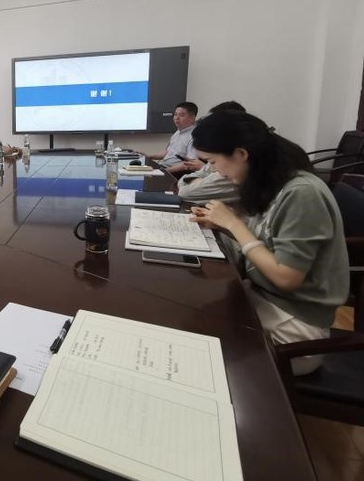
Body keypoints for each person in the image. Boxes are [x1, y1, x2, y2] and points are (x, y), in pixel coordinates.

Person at [189, 111, 348, 375]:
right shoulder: (270, 184)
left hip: (295, 330)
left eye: (213, 162)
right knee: (192, 317)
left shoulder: (302, 193)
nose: (214, 170)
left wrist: (234, 224)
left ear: (241, 154)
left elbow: (286, 277)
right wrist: (223, 226)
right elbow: (264, 243)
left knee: (195, 343)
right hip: (264, 301)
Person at [177, 101, 246, 203]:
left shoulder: (234, 168)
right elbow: (185, 179)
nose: (213, 168)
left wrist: (200, 182)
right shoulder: (224, 156)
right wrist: (199, 181)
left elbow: (185, 193)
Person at [144, 101, 199, 175]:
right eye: (175, 114)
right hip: (163, 167)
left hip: (175, 173)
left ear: (192, 118)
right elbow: (167, 152)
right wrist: (150, 156)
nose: (177, 118)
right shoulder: (178, 132)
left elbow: (190, 163)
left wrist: (165, 171)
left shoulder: (194, 136)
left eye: (181, 115)